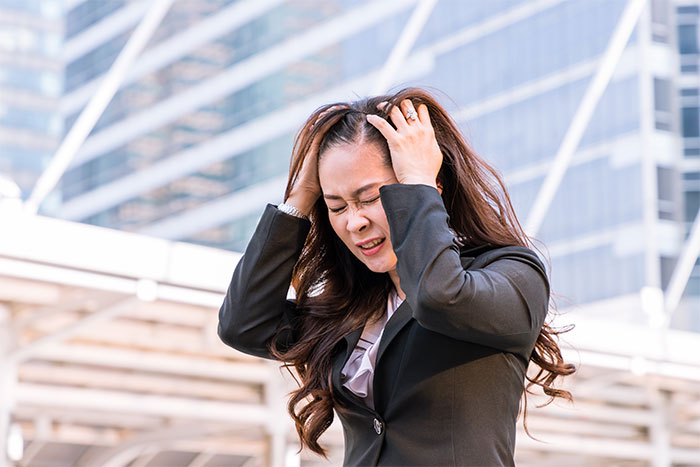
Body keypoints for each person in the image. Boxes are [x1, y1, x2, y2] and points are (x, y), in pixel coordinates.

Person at [218, 87, 575, 466]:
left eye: (370, 198)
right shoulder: (352, 311)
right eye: (336, 206)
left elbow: (440, 297)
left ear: (432, 187)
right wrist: (300, 197)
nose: (355, 222)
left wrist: (418, 181)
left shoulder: (511, 274)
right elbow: (244, 325)